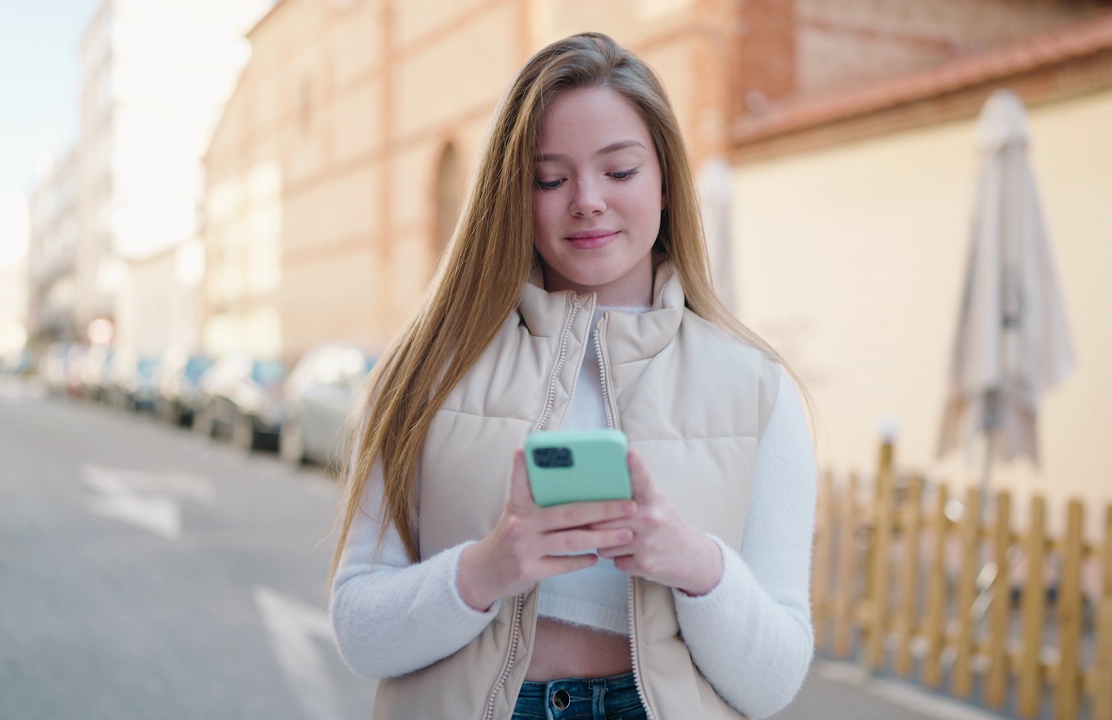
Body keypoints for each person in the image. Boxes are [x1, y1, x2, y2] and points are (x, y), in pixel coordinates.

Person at [329, 32, 817, 720]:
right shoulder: (422, 375)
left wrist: (691, 562)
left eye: (619, 172)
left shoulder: (759, 388)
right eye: (550, 179)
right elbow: (359, 630)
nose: (586, 200)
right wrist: (489, 568)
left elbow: (774, 681)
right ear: (512, 197)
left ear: (667, 181)